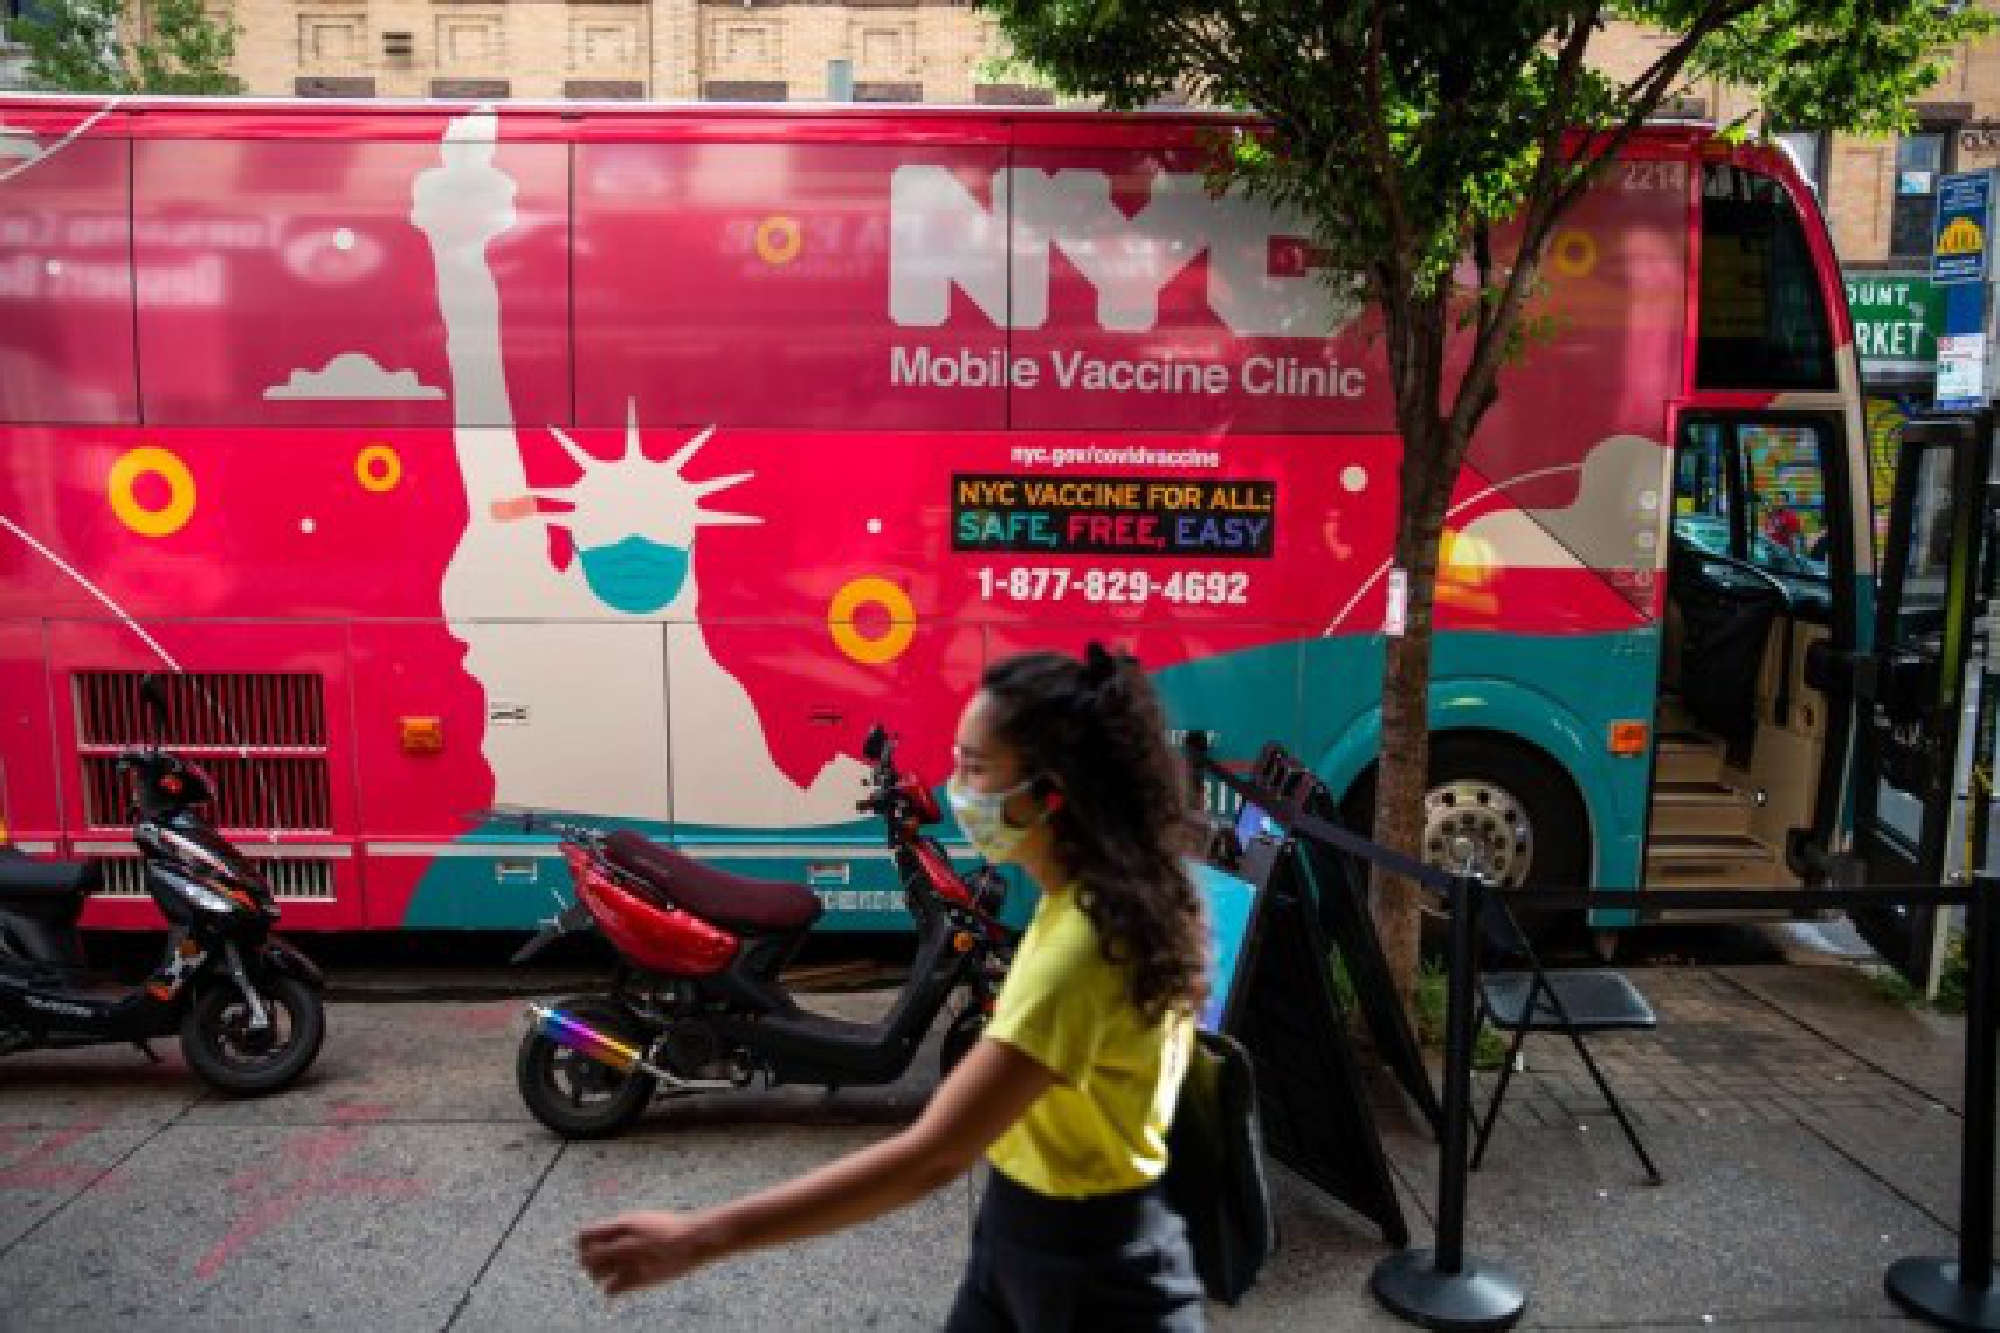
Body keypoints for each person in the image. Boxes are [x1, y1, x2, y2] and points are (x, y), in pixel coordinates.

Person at [577, 644, 1212, 1330]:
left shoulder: (1081, 952)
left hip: (1091, 1278)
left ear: (1048, 795)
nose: (957, 790)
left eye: (974, 768)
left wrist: (700, 1236)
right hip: (1027, 1231)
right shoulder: (1098, 897)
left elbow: (930, 1154)